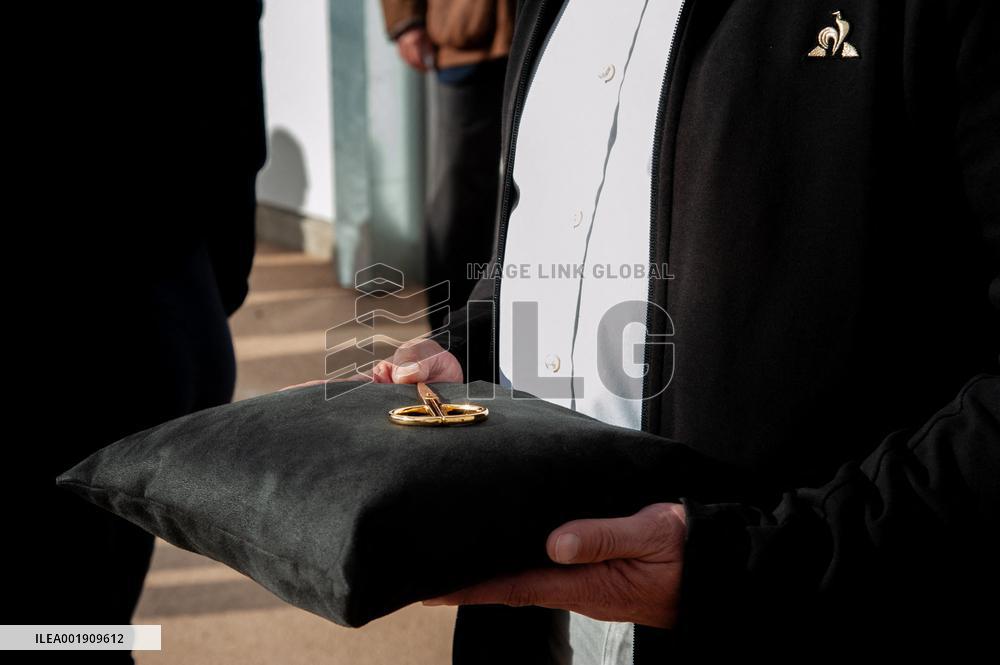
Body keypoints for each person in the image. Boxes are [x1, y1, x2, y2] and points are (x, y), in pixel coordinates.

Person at [368, 0, 1000, 662]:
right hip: (520, 600)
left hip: (789, 618)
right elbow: (539, 238)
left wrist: (761, 563)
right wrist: (467, 350)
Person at [16, 3, 267, 663]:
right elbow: (239, 135)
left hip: (91, 326)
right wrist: (202, 296)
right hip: (166, 307)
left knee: (55, 623)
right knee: (87, 614)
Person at [380, 0, 515, 330]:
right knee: (459, 195)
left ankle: (517, 330)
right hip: (465, 33)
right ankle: (450, 334)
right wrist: (406, 21)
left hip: (547, 36)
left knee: (543, 186)